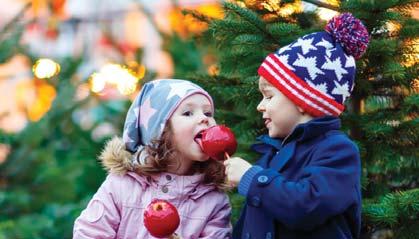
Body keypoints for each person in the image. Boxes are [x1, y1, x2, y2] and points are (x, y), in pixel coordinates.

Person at [224, 13, 369, 239]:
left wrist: (252, 179)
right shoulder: (275, 152)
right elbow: (252, 221)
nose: (260, 106)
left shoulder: (338, 151)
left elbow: (307, 206)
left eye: (269, 97)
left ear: (303, 101)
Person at [74, 79, 232, 238]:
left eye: (208, 113)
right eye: (188, 113)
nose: (204, 119)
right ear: (160, 130)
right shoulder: (122, 185)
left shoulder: (213, 200)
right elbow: (89, 233)